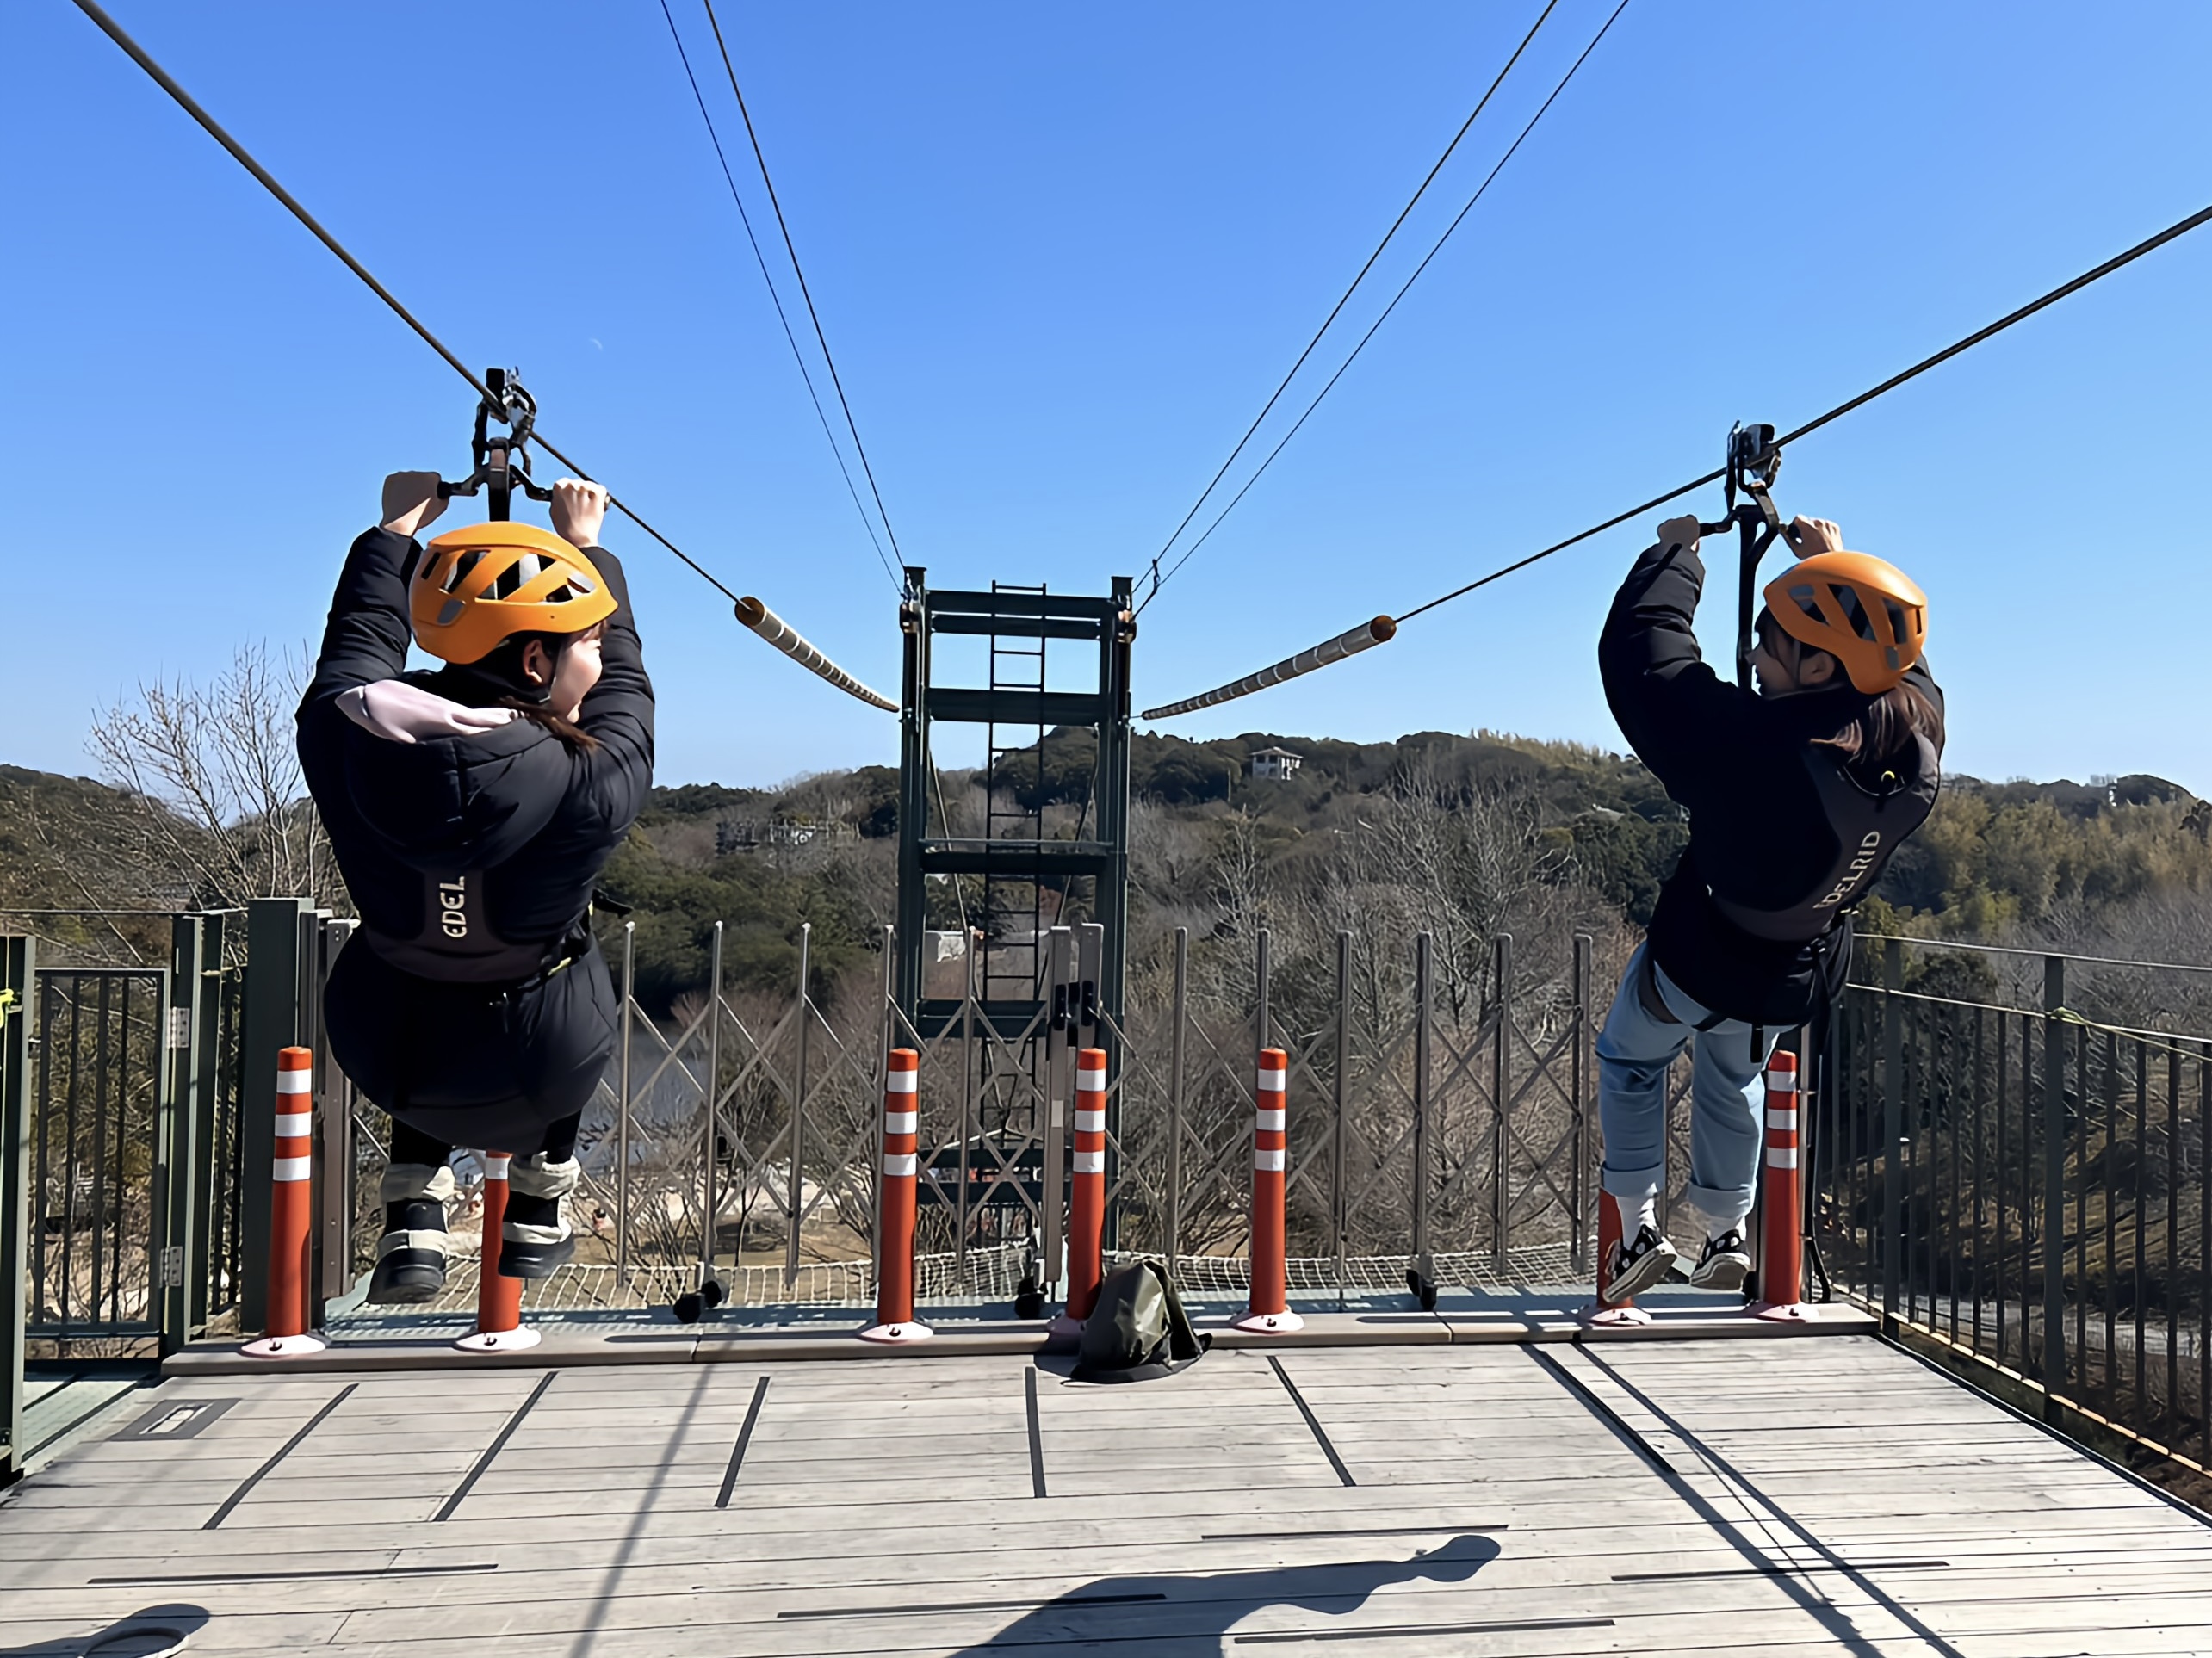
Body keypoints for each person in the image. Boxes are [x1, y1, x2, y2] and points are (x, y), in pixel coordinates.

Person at [297, 472, 653, 1303]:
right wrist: (587, 547)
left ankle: (414, 1202)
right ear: (536, 659)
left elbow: (358, 643)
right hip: (539, 1065)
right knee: (573, 952)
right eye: (585, 644)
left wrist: (393, 533)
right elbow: (628, 692)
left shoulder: (341, 734)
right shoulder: (591, 779)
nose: (598, 660)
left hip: (388, 1056)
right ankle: (540, 1199)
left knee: (423, 959)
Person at [1594, 511, 1942, 1302]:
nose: (1752, 654)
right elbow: (1904, 670)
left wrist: (1676, 557)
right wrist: (1836, 564)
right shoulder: (1912, 739)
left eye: (1770, 643)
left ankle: (1637, 1235)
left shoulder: (1747, 751)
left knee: (1630, 1059)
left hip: (1697, 957)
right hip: (1789, 973)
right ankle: (1725, 1232)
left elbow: (1646, 660)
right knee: (1730, 1078)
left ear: (1819, 668)